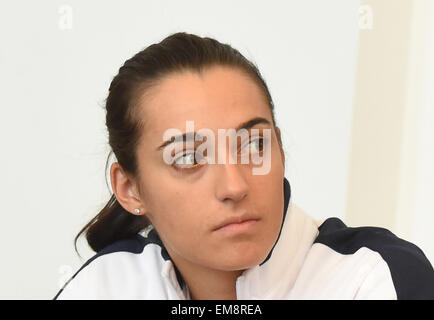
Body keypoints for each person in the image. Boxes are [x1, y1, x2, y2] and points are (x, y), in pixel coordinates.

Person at [54, 32, 434, 300]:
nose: (234, 186)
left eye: (254, 145)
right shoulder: (104, 288)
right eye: (188, 158)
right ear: (129, 189)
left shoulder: (372, 280)